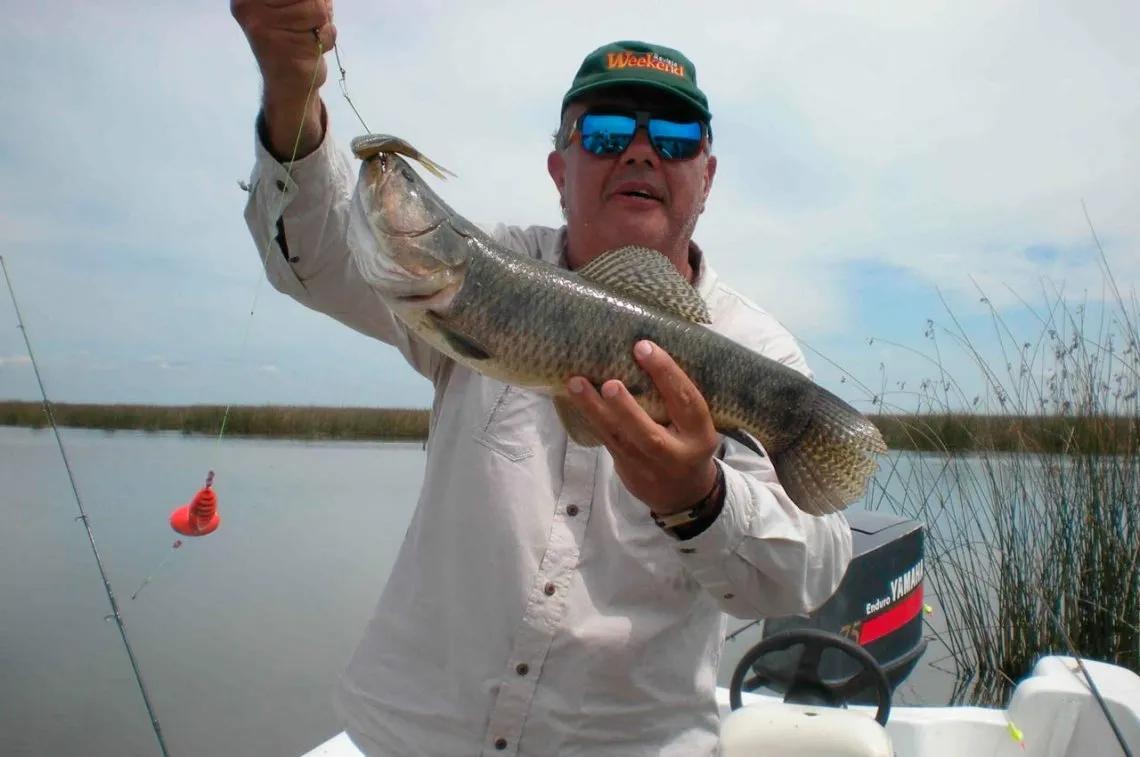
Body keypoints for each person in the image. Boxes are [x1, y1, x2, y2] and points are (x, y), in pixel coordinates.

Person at [233, 3, 853, 755]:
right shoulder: (478, 271)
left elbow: (813, 564)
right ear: (561, 169)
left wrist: (701, 500)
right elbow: (317, 249)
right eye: (604, 134)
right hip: (415, 734)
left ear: (707, 176)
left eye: (676, 137)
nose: (639, 152)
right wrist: (292, 88)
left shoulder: (756, 348)